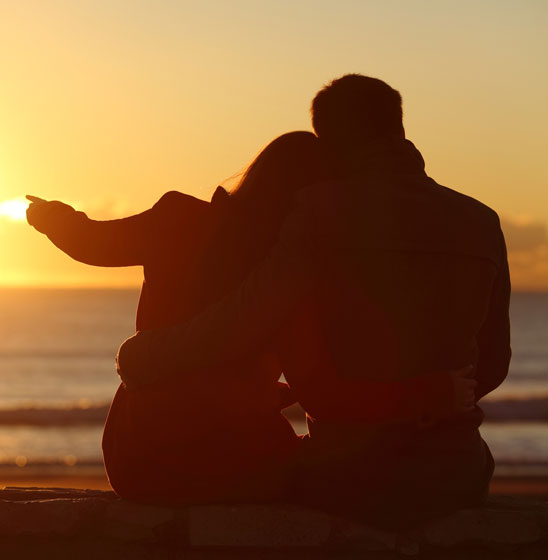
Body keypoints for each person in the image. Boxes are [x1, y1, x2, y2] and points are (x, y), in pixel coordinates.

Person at [116, 75, 510, 526]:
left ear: (327, 140)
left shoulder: (317, 211)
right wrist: (434, 401)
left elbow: (244, 321)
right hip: (457, 474)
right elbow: (494, 362)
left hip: (345, 476)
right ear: (397, 125)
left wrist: (142, 354)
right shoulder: (482, 221)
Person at [27, 130, 473, 506]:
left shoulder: (179, 218)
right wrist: (429, 391)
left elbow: (94, 244)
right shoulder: (291, 268)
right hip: (229, 455)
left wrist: (50, 216)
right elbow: (322, 390)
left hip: (135, 455)